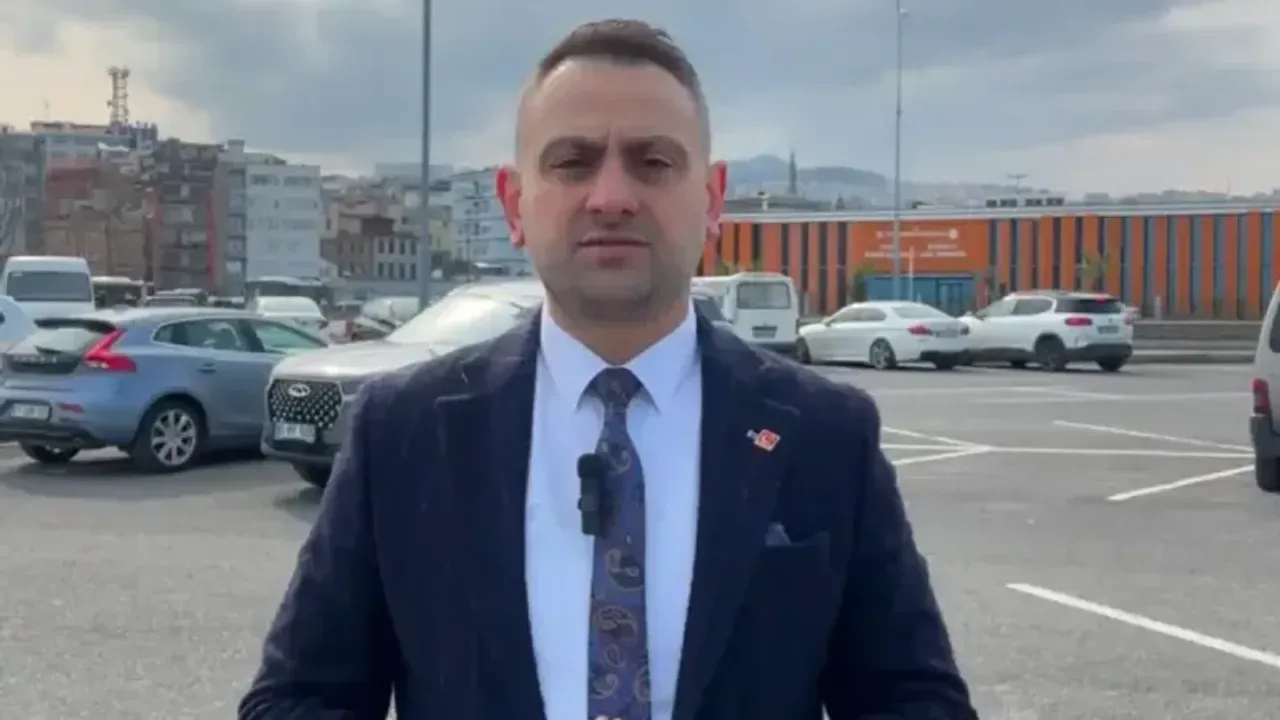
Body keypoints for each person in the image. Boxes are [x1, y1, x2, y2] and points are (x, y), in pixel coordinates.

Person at [239, 18, 977, 720]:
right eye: (573, 162)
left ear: (712, 199)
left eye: (654, 162)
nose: (613, 197)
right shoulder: (401, 433)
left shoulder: (826, 435)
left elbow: (912, 699)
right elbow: (300, 697)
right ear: (514, 203)